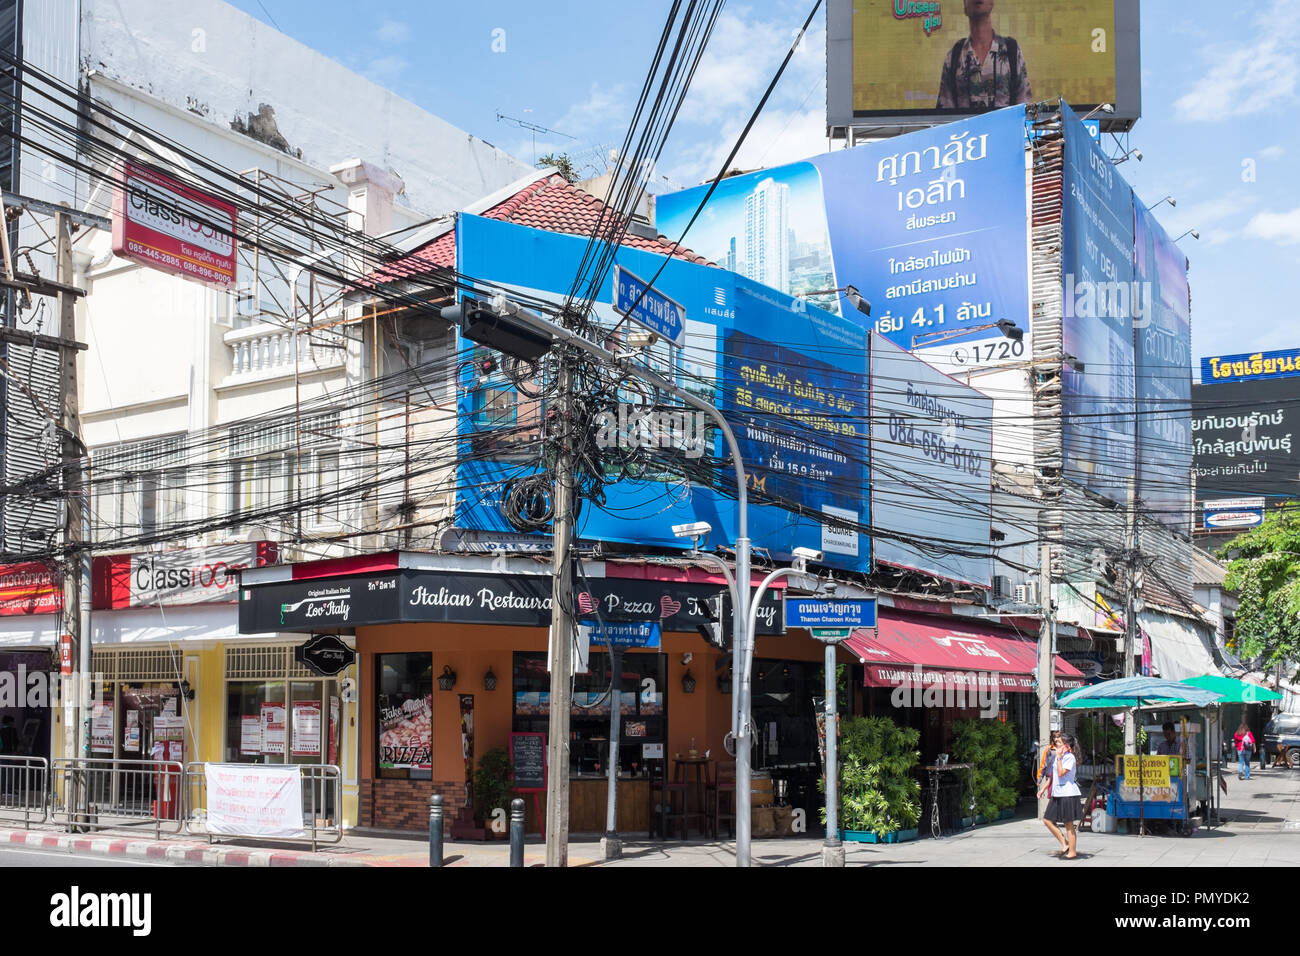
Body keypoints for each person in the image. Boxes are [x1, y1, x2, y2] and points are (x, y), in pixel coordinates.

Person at [936, 0, 1032, 110]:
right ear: (964, 6)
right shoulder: (954, 55)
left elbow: (1024, 108)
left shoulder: (1012, 51)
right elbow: (944, 115)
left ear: (992, 3)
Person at [1045, 733, 1083, 858]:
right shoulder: (1059, 757)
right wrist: (1044, 789)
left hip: (1068, 794)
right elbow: (1054, 775)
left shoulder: (1069, 758)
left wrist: (1060, 758)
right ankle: (1065, 844)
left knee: (1068, 824)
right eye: (1056, 742)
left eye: (1059, 743)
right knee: (1047, 819)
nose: (1056, 744)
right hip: (1058, 793)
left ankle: (1072, 852)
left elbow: (1061, 773)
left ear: (1066, 746)